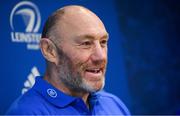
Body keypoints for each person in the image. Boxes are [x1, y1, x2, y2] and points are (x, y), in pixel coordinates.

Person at [6, 5, 130, 115]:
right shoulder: (26, 112)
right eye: (86, 43)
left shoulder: (114, 104)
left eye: (103, 42)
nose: (101, 56)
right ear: (49, 50)